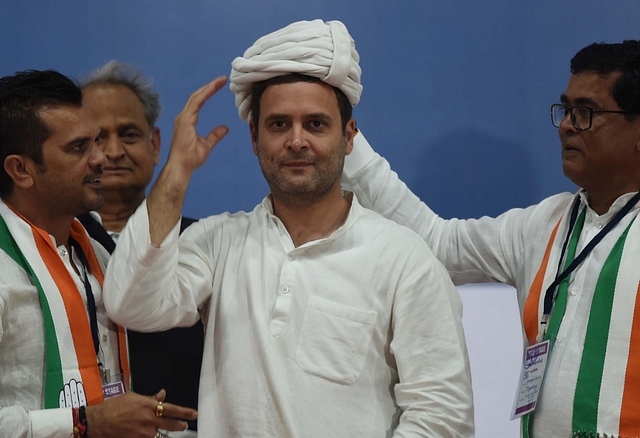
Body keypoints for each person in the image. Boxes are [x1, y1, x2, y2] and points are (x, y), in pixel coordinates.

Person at [104, 20, 474, 437]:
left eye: (316, 124)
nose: (297, 141)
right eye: (279, 124)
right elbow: (130, 303)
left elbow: (442, 418)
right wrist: (177, 170)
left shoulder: (405, 258)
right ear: (254, 138)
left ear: (349, 137)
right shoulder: (218, 242)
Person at [341, 40, 640, 437]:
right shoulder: (543, 224)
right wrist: (344, 136)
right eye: (566, 110)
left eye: (586, 112)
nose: (567, 125)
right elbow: (437, 242)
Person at [0, 69, 196, 438]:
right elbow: (96, 421)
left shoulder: (98, 256)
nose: (103, 157)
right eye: (80, 147)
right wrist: (88, 423)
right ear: (21, 169)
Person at [75, 61, 203, 435]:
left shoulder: (200, 243)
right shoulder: (50, 245)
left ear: (156, 144)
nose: (112, 151)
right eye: (97, 138)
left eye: (128, 134)